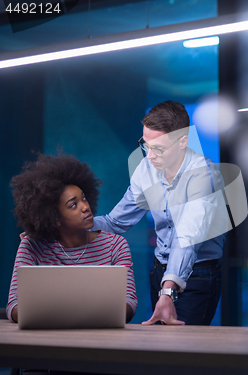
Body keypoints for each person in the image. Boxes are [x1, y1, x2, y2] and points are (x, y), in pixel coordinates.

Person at [92, 100, 228, 326]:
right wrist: (65, 226)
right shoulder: (146, 169)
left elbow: (187, 239)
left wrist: (167, 292)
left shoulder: (203, 175)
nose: (150, 155)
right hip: (159, 269)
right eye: (145, 145)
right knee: (161, 347)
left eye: (159, 148)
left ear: (183, 141)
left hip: (199, 273)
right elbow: (115, 222)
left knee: (183, 352)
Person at [7, 153, 137, 324]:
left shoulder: (116, 246)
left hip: (103, 340)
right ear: (54, 218)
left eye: (84, 198)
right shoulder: (31, 246)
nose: (85, 207)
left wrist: (64, 313)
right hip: (46, 341)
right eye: (73, 205)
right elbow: (14, 306)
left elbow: (130, 302)